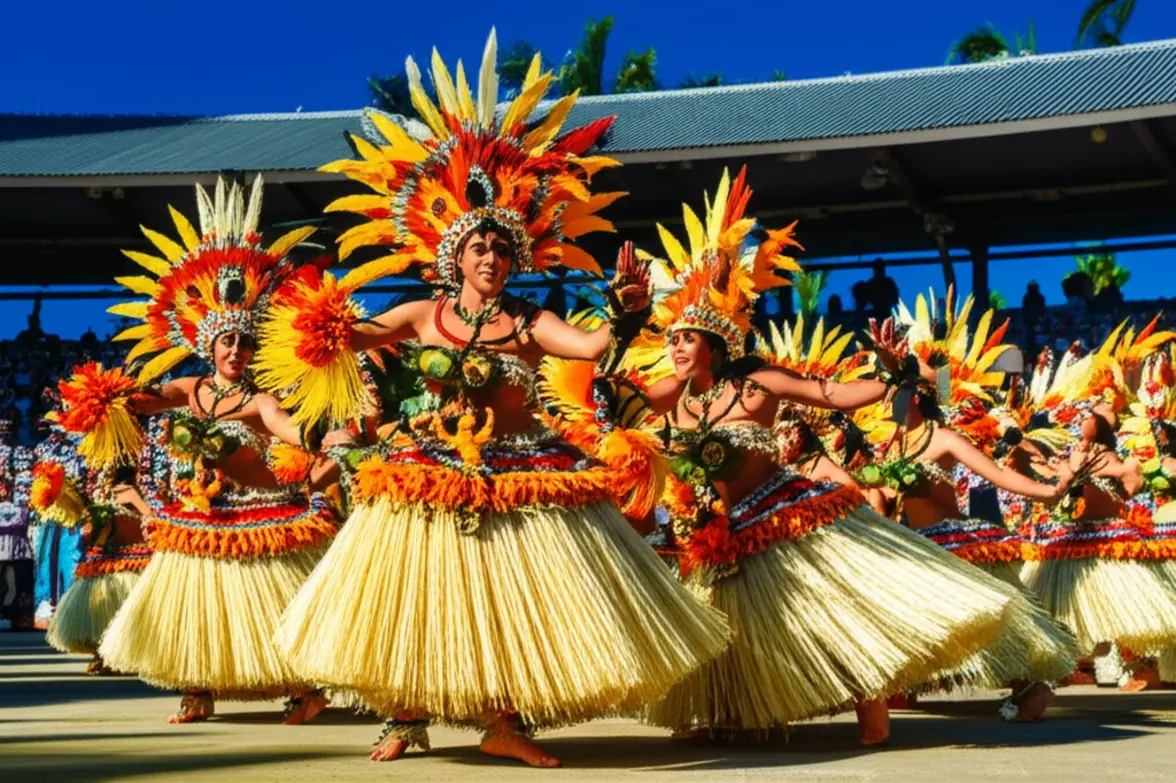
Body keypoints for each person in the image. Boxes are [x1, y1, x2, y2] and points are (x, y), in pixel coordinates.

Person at [256, 33, 730, 768]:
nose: (490, 257)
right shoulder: (421, 315)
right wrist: (323, 325)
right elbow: (356, 336)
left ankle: (505, 721)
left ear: (514, 259)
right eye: (478, 248)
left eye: (501, 250)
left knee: (509, 605)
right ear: (455, 256)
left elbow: (597, 347)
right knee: (413, 597)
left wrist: (630, 314)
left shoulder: (531, 321)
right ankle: (406, 717)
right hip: (430, 468)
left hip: (517, 468)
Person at [632, 168, 1014, 746]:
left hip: (785, 516)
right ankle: (744, 713)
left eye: (686, 338)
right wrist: (622, 318)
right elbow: (614, 395)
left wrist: (894, 375)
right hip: (722, 528)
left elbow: (832, 395)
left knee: (831, 608)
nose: (676, 347)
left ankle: (872, 707)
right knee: (738, 626)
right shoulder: (677, 401)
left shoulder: (755, 386)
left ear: (716, 342)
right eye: (672, 339)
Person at [56, 176, 339, 724]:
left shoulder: (260, 400)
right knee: (197, 612)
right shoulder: (188, 391)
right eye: (227, 341)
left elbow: (289, 431)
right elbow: (147, 399)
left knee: (270, 609)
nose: (236, 349)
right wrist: (105, 397)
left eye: (244, 342)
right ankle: (198, 689)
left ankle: (305, 688)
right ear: (207, 346)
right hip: (199, 515)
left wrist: (326, 441)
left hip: (255, 513)